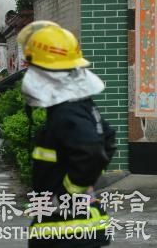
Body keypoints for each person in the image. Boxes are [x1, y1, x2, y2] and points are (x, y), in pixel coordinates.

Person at [17, 22, 115, 248]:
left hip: (67, 232)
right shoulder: (80, 104)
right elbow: (106, 139)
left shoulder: (66, 111)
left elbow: (92, 150)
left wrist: (72, 188)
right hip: (72, 227)